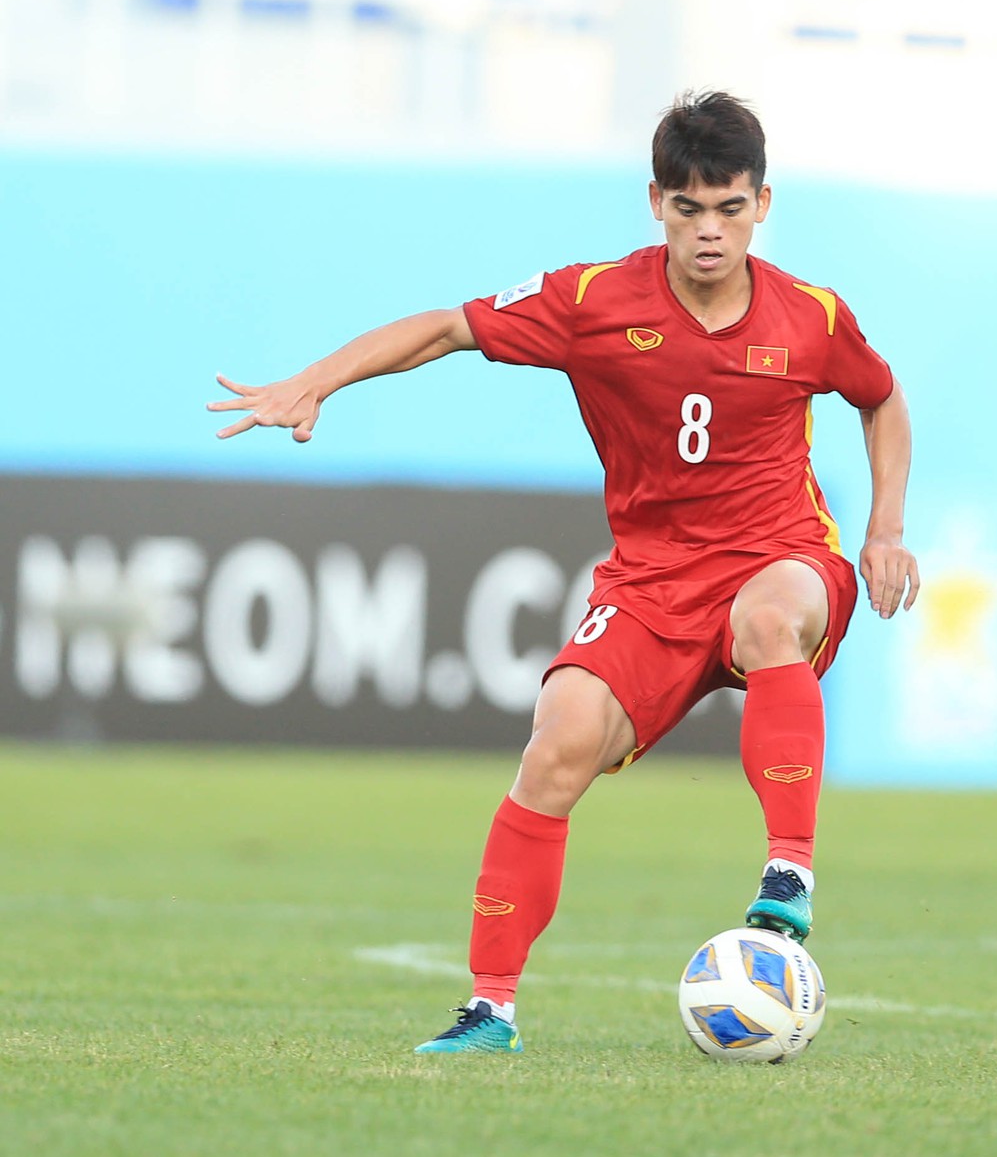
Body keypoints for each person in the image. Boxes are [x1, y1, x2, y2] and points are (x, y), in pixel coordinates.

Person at [208, 91, 919, 1054]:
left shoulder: (813, 317)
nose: (709, 232)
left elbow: (880, 401)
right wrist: (316, 380)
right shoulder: (595, 303)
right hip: (649, 582)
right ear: (656, 202)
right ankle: (489, 1008)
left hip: (777, 556)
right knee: (557, 743)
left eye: (730, 208)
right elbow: (447, 328)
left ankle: (788, 871)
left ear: (762, 204)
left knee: (770, 616)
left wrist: (883, 530)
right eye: (688, 208)